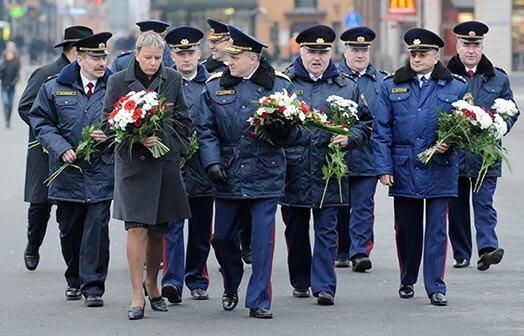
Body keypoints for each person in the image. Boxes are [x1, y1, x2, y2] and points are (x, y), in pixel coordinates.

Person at [197, 24, 293, 319]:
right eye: (228, 57)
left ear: (254, 58)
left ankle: (259, 299)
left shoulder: (279, 86)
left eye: (235, 57)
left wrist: (281, 133)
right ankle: (231, 282)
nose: (228, 62)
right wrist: (211, 162)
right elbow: (205, 129)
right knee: (223, 238)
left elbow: (299, 131)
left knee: (263, 242)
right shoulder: (214, 85)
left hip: (266, 171)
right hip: (229, 171)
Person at [374, 28, 469, 306]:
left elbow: (469, 129)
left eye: (422, 53)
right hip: (404, 167)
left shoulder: (456, 86)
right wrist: (384, 167)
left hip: (440, 166)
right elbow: (381, 130)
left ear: (436, 56)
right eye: (413, 53)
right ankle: (407, 278)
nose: (416, 58)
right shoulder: (391, 85)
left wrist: (450, 143)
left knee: (438, 229)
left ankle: (435, 286)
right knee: (406, 228)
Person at [280, 25, 373, 306]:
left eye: (322, 51)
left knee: (326, 230)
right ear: (301, 52)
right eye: (311, 51)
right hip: (293, 170)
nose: (317, 57)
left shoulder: (346, 86)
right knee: (295, 230)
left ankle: (324, 286)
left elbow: (365, 123)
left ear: (330, 53)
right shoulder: (285, 83)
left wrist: (351, 138)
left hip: (330, 169)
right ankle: (300, 280)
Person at [102, 30, 191, 320]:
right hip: (132, 165)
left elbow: (183, 119)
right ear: (137, 54)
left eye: (158, 58)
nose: (153, 63)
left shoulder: (173, 78)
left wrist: (173, 147)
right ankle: (136, 295)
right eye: (148, 58)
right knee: (136, 227)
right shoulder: (117, 80)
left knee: (157, 231)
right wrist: (135, 138)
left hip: (164, 164)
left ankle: (152, 282)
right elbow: (107, 122)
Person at [29, 32, 114, 307]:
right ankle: (74, 279)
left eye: (103, 57)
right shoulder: (53, 87)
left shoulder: (115, 87)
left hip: (102, 170)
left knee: (97, 230)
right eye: (95, 57)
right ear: (79, 59)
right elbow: (40, 120)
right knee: (69, 229)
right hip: (68, 171)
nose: (101, 63)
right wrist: (60, 147)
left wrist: (111, 134)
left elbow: (129, 121)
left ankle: (94, 287)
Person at [18, 25, 93, 272]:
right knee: (40, 204)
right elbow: (26, 107)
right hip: (44, 150)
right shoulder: (47, 74)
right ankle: (33, 244)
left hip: (78, 152)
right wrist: (51, 133)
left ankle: (75, 265)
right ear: (74, 51)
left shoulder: (91, 77)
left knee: (69, 210)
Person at [446, 21, 520, 270]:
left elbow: (511, 110)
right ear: (457, 46)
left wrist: (501, 125)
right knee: (456, 209)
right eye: (466, 44)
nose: (471, 50)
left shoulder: (497, 77)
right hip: (454, 155)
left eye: (475, 45)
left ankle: (487, 248)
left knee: (484, 203)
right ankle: (461, 253)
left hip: (485, 155)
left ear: (482, 47)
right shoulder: (445, 76)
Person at [162, 26, 212, 301]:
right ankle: (172, 281)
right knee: (172, 227)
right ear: (172, 55)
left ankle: (197, 278)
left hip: (203, 166)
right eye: (180, 54)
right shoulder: (163, 83)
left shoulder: (213, 83)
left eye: (190, 53)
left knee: (201, 229)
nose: (186, 58)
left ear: (199, 53)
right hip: (173, 165)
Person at [335, 26, 388, 271]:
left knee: (363, 207)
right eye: (355, 50)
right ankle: (341, 250)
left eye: (364, 50)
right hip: (338, 155)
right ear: (345, 51)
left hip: (368, 156)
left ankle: (360, 252)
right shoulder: (333, 77)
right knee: (340, 206)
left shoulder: (382, 81)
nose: (359, 55)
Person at [202, 18, 253, 264]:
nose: (212, 46)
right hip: (223, 156)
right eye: (211, 41)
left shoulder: (251, 71)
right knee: (225, 219)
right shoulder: (208, 72)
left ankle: (247, 243)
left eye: (218, 41)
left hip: (250, 157)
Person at [0, 49, 21, 128]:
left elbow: (17, 76)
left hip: (12, 87)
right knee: (6, 102)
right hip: (4, 86)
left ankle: (8, 120)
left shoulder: (15, 64)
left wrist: (13, 83)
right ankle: (6, 119)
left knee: (10, 104)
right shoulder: (3, 64)